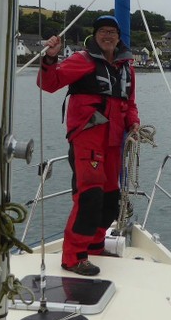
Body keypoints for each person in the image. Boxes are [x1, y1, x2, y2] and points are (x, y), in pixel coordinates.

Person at [37, 15, 140, 276]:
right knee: (89, 197)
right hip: (88, 138)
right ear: (95, 36)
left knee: (109, 200)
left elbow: (130, 101)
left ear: (119, 37)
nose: (108, 36)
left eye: (112, 32)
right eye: (103, 31)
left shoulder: (126, 66)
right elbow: (48, 84)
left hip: (114, 140)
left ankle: (94, 246)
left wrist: (135, 123)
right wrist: (50, 57)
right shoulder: (82, 60)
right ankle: (73, 257)